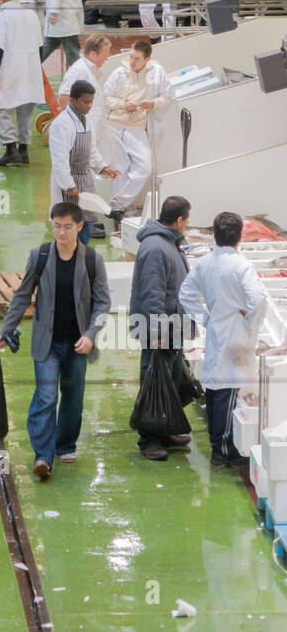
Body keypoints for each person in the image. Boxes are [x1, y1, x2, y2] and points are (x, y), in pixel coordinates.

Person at [0, 201, 111, 479]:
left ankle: (65, 445)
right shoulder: (40, 256)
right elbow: (23, 295)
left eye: (68, 227)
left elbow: (103, 303)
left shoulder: (93, 260)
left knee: (73, 398)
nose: (62, 232)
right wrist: (6, 328)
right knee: (46, 396)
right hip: (47, 343)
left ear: (80, 227)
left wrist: (90, 335)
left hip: (77, 344)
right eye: (57, 226)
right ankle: (43, 456)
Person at [179, 210, 271, 468]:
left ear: (215, 235)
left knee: (216, 390)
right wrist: (249, 324)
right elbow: (259, 298)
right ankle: (223, 451)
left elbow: (185, 294)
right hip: (236, 336)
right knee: (229, 392)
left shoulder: (205, 263)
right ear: (240, 236)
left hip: (217, 331)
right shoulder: (242, 265)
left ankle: (220, 447)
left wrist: (205, 317)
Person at [129, 195, 195, 462]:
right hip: (159, 330)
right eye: (187, 221)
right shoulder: (157, 248)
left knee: (175, 380)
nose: (187, 226)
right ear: (179, 220)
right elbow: (152, 294)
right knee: (154, 382)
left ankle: (165, 428)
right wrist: (157, 334)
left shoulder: (170, 243)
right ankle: (149, 439)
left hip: (173, 327)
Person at [103, 39, 172, 227]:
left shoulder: (156, 73)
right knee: (119, 168)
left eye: (137, 58)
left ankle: (119, 203)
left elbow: (167, 96)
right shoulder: (119, 73)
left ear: (147, 59)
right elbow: (107, 97)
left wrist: (153, 103)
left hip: (137, 126)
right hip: (115, 125)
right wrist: (123, 104)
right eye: (131, 57)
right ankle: (123, 212)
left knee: (144, 167)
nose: (132, 62)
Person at [48, 80, 118, 243]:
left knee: (86, 224)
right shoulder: (62, 124)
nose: (89, 105)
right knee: (69, 228)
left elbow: (91, 150)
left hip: (85, 181)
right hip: (69, 186)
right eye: (85, 101)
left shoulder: (85, 119)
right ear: (73, 100)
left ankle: (80, 259)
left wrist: (102, 167)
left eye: (91, 101)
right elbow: (60, 159)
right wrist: (68, 185)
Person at [0, 0, 44, 167]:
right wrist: (35, 67)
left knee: (3, 108)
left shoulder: (3, 17)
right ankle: (24, 150)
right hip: (30, 69)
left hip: (8, 69)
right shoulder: (32, 15)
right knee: (26, 109)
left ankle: (11, 149)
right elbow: (41, 47)